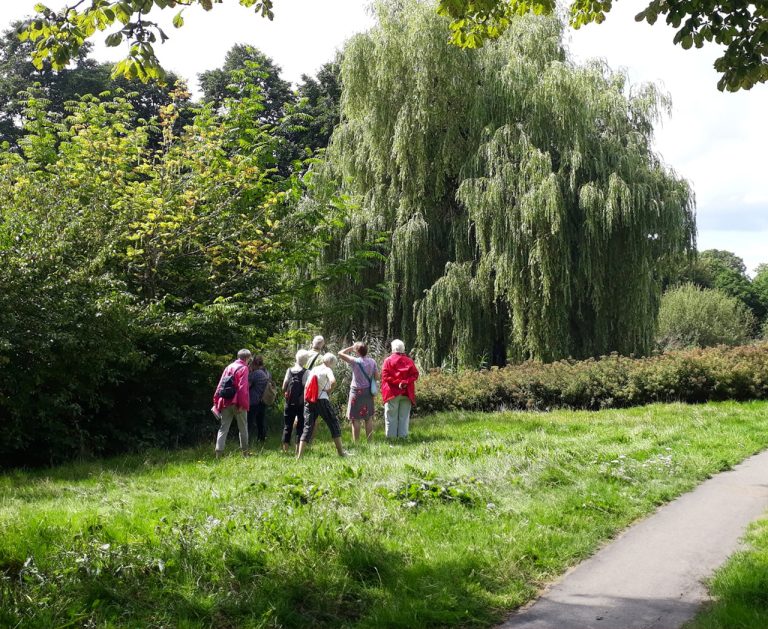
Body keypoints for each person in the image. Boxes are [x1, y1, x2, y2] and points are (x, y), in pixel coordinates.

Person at [297, 353, 349, 459]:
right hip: (322, 400)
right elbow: (333, 382)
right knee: (333, 423)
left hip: (309, 400)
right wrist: (329, 391)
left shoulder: (314, 369)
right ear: (330, 362)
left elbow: (307, 385)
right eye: (334, 364)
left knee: (307, 427)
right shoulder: (327, 369)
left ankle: (299, 456)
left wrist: (306, 400)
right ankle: (341, 453)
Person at [213, 349, 252, 457]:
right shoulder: (244, 368)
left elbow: (220, 385)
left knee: (223, 428)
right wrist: (242, 405)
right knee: (243, 428)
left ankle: (218, 453)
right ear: (247, 358)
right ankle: (245, 454)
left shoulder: (228, 367)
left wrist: (216, 401)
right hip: (237, 403)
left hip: (225, 401)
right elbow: (242, 389)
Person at [338, 342, 378, 442]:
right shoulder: (372, 361)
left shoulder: (354, 361)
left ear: (357, 351)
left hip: (356, 392)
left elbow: (340, 353)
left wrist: (351, 348)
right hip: (368, 392)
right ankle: (370, 441)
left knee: (355, 418)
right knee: (368, 417)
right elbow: (377, 377)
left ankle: (356, 443)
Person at [381, 339, 419, 439]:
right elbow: (415, 374)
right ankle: (403, 437)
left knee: (391, 416)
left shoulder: (388, 360)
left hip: (392, 392)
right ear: (403, 349)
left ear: (393, 349)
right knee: (404, 417)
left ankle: (391, 438)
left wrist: (398, 383)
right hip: (407, 392)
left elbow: (385, 376)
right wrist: (405, 382)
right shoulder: (409, 361)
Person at [281, 349, 310, 453]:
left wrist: (287, 394)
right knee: (300, 426)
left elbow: (283, 387)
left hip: (289, 402)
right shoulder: (307, 372)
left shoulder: (289, 370)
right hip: (301, 403)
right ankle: (297, 450)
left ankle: (285, 450)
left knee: (287, 426)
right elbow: (306, 389)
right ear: (306, 360)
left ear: (296, 358)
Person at [248, 355, 272, 444]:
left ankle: (246, 440)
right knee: (261, 421)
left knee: (249, 422)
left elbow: (247, 385)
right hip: (263, 399)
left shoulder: (256, 373)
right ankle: (262, 439)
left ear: (254, 364)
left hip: (254, 400)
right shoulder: (267, 372)